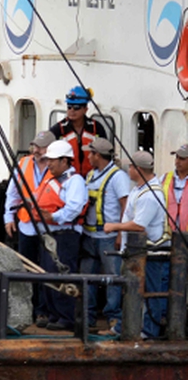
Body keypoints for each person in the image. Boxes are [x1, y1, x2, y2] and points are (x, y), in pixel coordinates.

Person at [104, 152, 169, 339]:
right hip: (135, 253)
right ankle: (128, 326)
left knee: (149, 290)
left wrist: (114, 226)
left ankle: (148, 331)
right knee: (132, 289)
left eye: (131, 167)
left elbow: (139, 225)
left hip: (149, 253)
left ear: (138, 169)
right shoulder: (139, 189)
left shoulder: (150, 195)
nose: (128, 170)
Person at [33, 140, 88, 331]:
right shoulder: (50, 180)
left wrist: (53, 216)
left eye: (53, 161)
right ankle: (53, 314)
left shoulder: (75, 181)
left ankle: (67, 316)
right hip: (49, 234)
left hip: (65, 235)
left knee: (62, 274)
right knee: (48, 275)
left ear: (65, 161)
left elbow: (74, 208)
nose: (49, 164)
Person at [4, 130, 55, 326]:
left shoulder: (58, 167)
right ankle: (26, 309)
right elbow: (13, 193)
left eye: (41, 147)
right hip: (26, 226)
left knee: (46, 270)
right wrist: (8, 218)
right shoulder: (24, 164)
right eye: (35, 146)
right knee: (26, 268)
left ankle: (43, 311)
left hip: (49, 227)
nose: (36, 150)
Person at [79, 137, 129, 335]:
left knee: (113, 280)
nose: (88, 156)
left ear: (98, 155)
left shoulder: (118, 177)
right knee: (88, 278)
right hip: (89, 236)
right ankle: (88, 317)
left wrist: (120, 234)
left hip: (108, 238)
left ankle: (113, 318)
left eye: (90, 153)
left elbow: (125, 205)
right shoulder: (91, 175)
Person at [50, 85, 108, 178]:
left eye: (76, 107)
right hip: (67, 179)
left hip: (93, 179)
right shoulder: (58, 130)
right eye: (69, 107)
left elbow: (105, 155)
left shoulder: (96, 128)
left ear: (85, 109)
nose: (72, 110)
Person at [161, 144, 188, 234]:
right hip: (167, 235)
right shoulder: (164, 178)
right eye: (177, 157)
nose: (177, 161)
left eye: (182, 159)